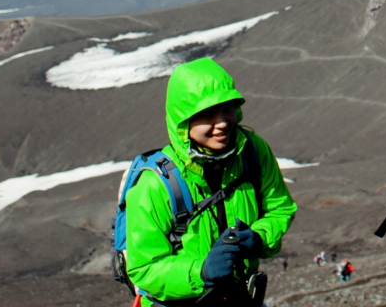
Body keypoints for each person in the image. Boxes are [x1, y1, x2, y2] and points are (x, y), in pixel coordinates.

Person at [122, 57, 298, 305]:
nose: (223, 123)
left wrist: (259, 238)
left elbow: (280, 208)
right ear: (183, 122)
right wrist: (201, 272)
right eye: (207, 114)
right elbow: (144, 268)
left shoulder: (252, 150)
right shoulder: (155, 184)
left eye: (227, 108)